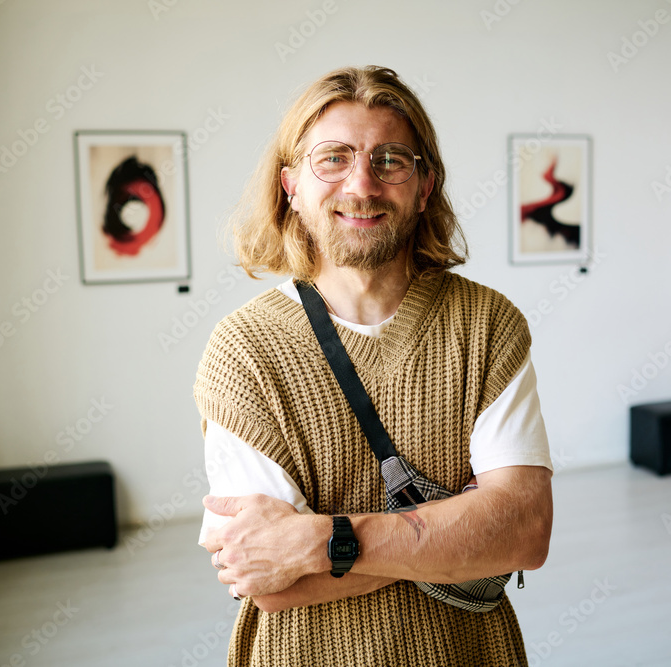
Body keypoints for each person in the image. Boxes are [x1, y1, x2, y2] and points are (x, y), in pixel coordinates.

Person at [194, 65, 554, 667]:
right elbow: (272, 582)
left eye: (390, 160)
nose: (362, 184)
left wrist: (318, 540)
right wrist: (456, 533)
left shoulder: (487, 325)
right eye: (332, 158)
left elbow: (523, 532)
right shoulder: (244, 350)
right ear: (290, 186)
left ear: (424, 184)